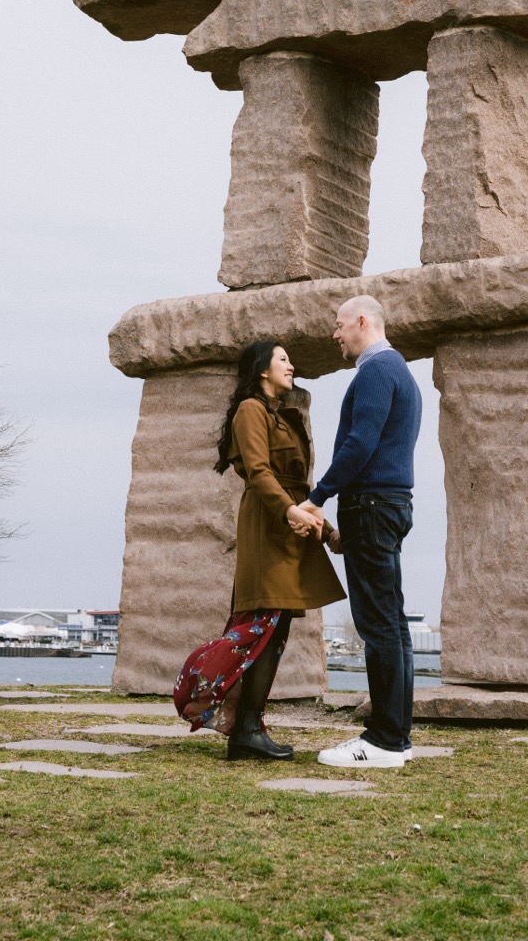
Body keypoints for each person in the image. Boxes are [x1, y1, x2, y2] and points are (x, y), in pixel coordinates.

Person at [173, 338, 345, 761]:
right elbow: (259, 472)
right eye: (283, 359)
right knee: (263, 625)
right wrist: (290, 512)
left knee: (276, 628)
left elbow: (296, 485)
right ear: (262, 369)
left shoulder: (278, 413)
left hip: (287, 523)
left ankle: (249, 727)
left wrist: (324, 529)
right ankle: (238, 722)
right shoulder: (251, 408)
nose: (291, 365)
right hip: (269, 525)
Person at [291, 295, 422, 769]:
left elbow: (360, 442)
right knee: (393, 623)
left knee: (377, 623)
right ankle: (397, 737)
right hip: (388, 503)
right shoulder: (398, 370)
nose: (335, 333)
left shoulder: (376, 370)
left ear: (363, 321)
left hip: (372, 504)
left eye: (340, 324)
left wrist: (318, 495)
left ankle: (384, 741)